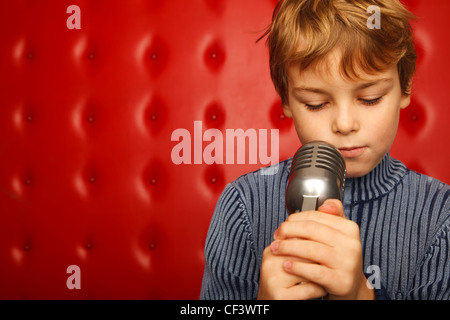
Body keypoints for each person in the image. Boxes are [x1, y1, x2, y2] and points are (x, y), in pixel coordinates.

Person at [200, 0, 450, 300]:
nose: (345, 125)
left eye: (370, 98)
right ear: (287, 99)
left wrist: (360, 294)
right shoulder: (242, 206)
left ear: (405, 87)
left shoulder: (440, 216)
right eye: (316, 104)